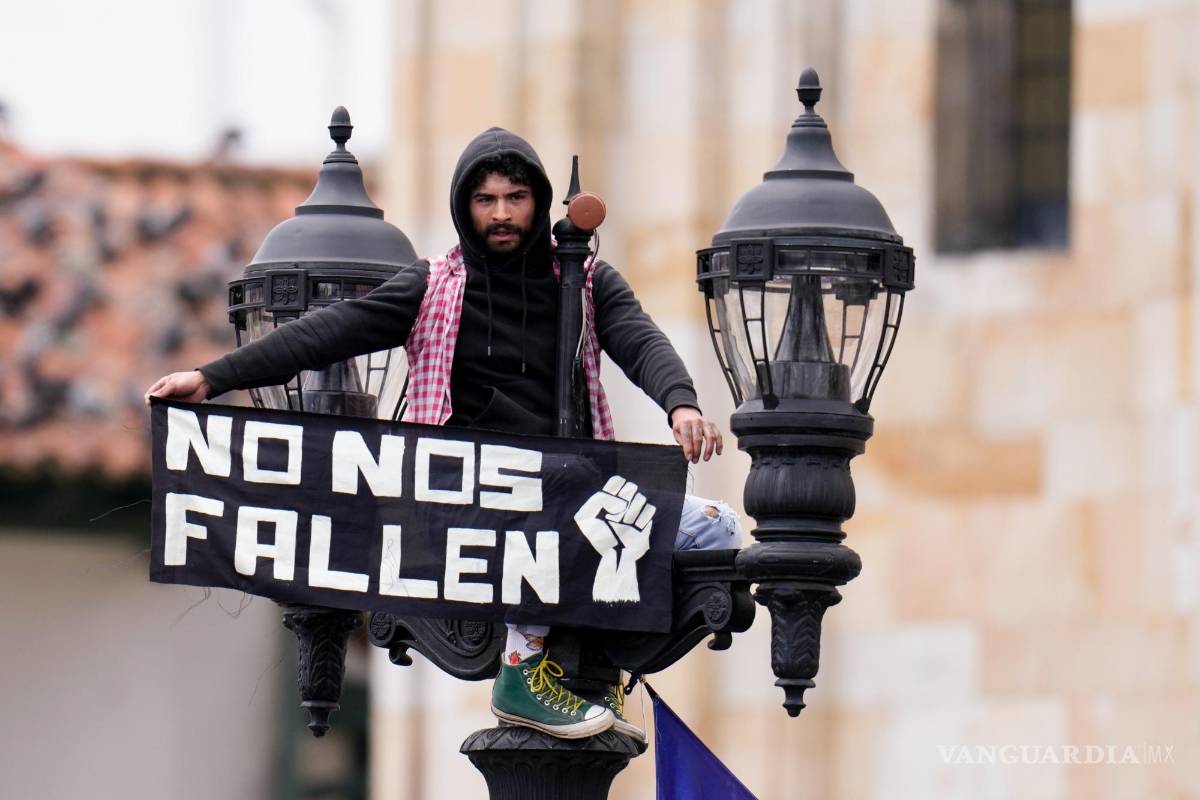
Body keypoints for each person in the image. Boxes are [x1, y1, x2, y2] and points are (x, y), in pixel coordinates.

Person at [145, 127, 739, 741]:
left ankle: (590, 653)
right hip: (468, 503)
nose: (502, 214)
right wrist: (212, 379)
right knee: (547, 494)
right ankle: (522, 666)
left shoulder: (585, 281)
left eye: (516, 197)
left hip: (574, 499)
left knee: (712, 529)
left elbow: (639, 339)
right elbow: (328, 332)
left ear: (537, 202)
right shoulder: (432, 286)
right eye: (486, 200)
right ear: (464, 207)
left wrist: (681, 404)